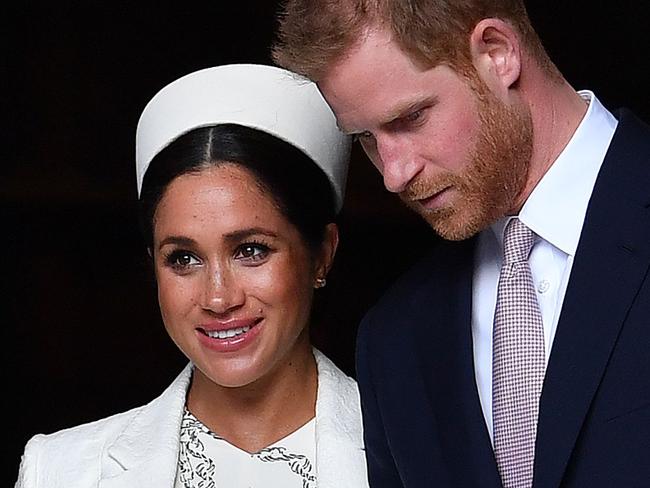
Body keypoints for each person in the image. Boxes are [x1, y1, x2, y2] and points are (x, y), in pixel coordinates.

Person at [271, 1, 650, 487]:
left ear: (497, 53)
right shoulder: (393, 340)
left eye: (410, 118)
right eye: (366, 137)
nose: (392, 174)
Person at [14, 63, 369, 488]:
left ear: (321, 255)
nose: (218, 298)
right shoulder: (62, 471)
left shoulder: (416, 455)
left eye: (250, 251)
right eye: (183, 259)